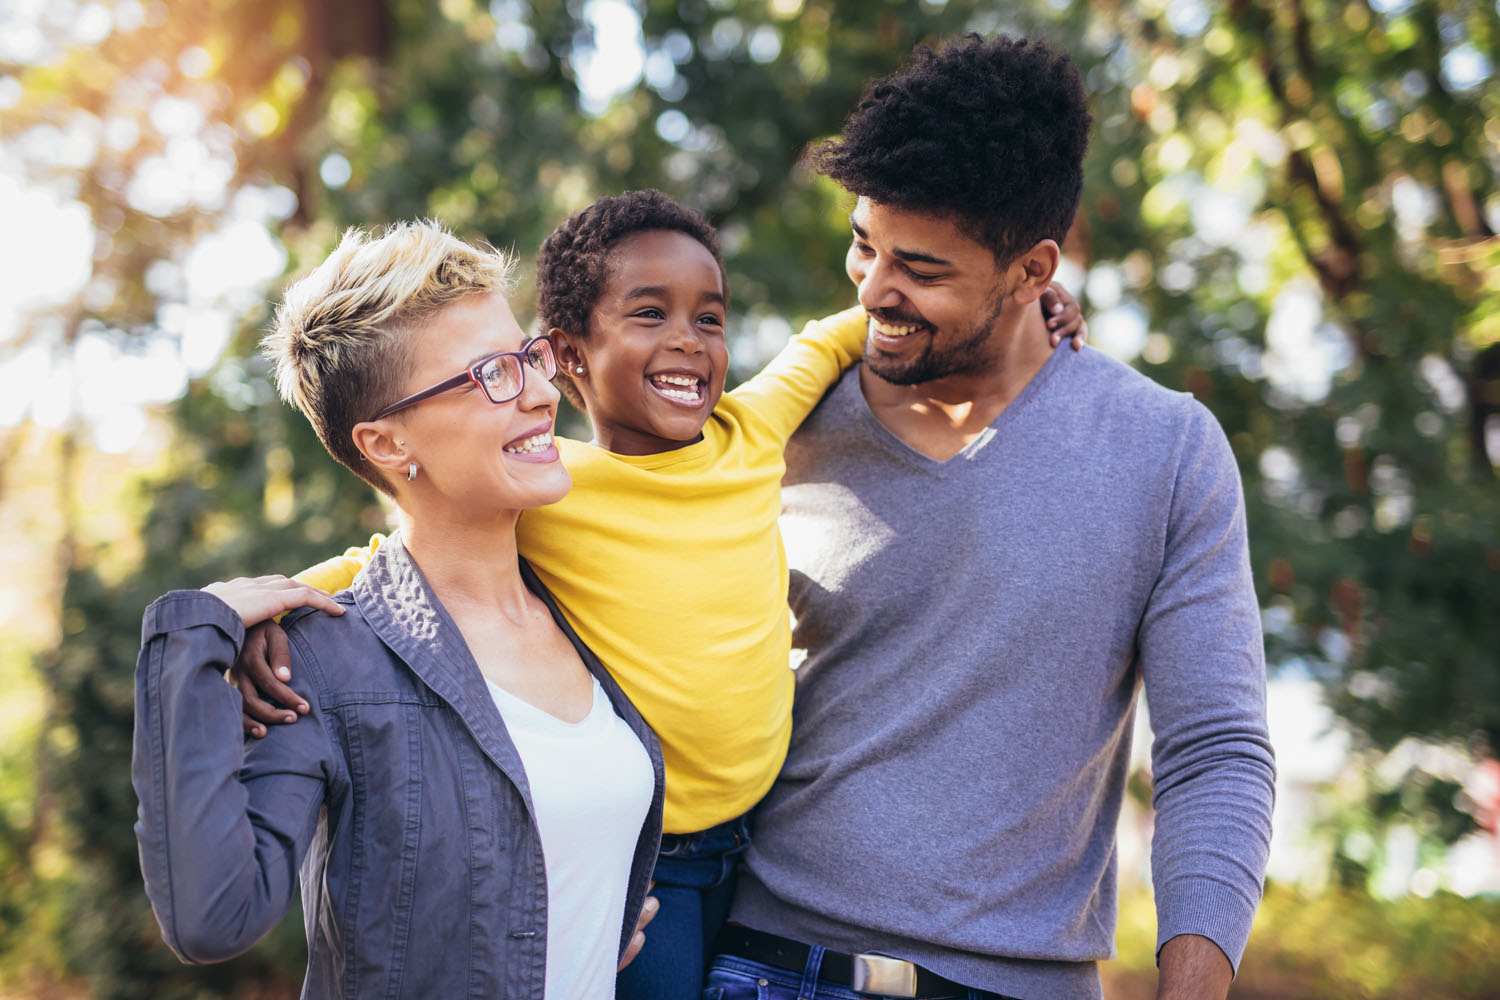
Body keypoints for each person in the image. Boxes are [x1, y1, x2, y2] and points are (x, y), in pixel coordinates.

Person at [229, 191, 1087, 1000]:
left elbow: (844, 331)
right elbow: (396, 555)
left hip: (770, 852)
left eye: (708, 318)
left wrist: (1023, 310)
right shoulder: (553, 492)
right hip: (649, 860)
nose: (689, 339)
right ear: (565, 355)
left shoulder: (753, 430)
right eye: (650, 313)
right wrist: (260, 607)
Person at [707, 34, 1276, 1000]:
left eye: (920, 269)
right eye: (862, 243)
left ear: (1032, 271)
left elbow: (1216, 753)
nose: (875, 288)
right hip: (772, 969)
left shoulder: (1164, 450)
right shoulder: (783, 420)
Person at [131, 221, 664, 999]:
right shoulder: (317, 661)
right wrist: (191, 642)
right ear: (385, 443)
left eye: (529, 357)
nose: (545, 392)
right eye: (492, 375)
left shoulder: (589, 609)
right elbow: (214, 916)